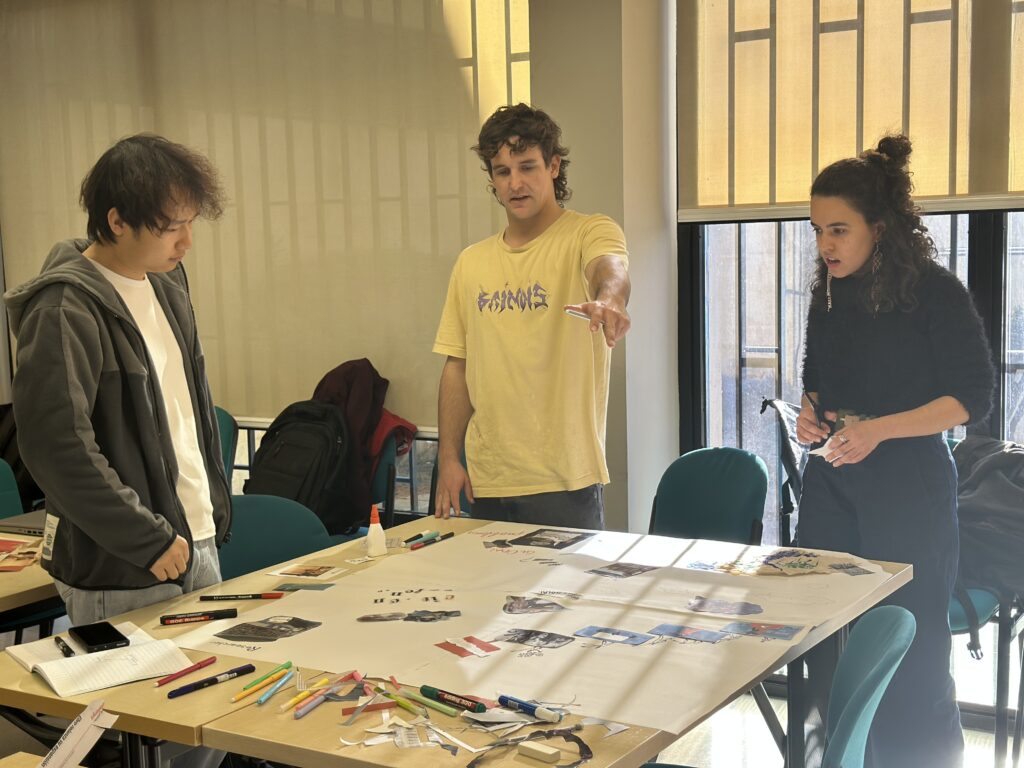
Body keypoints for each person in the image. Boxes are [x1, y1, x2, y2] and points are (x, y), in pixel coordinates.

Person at [796, 134, 994, 768]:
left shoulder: (935, 291)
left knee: (912, 651)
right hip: (833, 481)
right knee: (822, 640)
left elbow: (971, 399)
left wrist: (879, 430)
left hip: (909, 487)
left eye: (839, 230)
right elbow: (816, 379)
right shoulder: (828, 292)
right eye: (817, 230)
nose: (825, 245)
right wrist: (809, 413)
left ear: (879, 229)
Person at [4, 133, 231, 626]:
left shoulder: (167, 285)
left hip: (194, 541)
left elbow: (183, 418)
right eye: (171, 227)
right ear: (117, 221)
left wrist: (207, 516)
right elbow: (57, 448)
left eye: (190, 223)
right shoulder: (64, 308)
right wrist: (146, 538)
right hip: (125, 563)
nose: (187, 242)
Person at [432, 103, 630, 529]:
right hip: (487, 480)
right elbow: (457, 365)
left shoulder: (588, 231)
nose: (515, 183)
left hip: (565, 482)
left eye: (527, 167)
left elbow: (609, 267)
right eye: (502, 171)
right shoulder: (471, 262)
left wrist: (610, 300)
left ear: (553, 165)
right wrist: (448, 457)